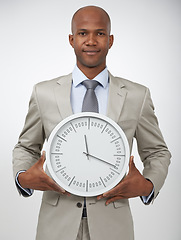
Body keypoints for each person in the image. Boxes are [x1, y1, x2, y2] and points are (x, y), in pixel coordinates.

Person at [12, 5, 171, 240]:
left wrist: (148, 185)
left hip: (113, 225)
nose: (91, 40)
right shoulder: (43, 93)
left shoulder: (137, 95)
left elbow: (157, 151)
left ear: (111, 40)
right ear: (71, 39)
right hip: (56, 225)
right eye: (83, 33)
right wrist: (23, 176)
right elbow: (26, 147)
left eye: (100, 33)